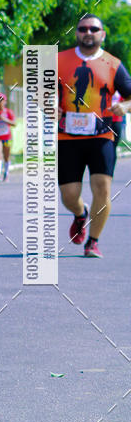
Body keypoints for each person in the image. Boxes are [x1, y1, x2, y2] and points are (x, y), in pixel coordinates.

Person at [58, 14, 131, 258]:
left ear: (102, 34)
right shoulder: (58, 60)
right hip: (67, 137)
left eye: (93, 28)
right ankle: (80, 213)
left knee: (102, 187)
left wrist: (125, 107)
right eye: (83, 28)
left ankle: (93, 242)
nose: (88, 32)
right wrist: (49, 104)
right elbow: (40, 92)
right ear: (77, 32)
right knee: (69, 195)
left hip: (102, 135)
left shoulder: (113, 64)